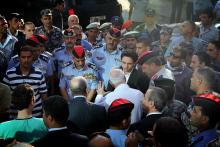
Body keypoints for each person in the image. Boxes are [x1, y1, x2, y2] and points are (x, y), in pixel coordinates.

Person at [3, 45, 47, 118]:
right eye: (23, 57)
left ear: (32, 57)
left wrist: (44, 113)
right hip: (15, 117)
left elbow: (44, 96)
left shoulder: (39, 74)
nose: (26, 60)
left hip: (36, 116)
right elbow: (5, 96)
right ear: (19, 58)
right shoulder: (9, 74)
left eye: (29, 57)